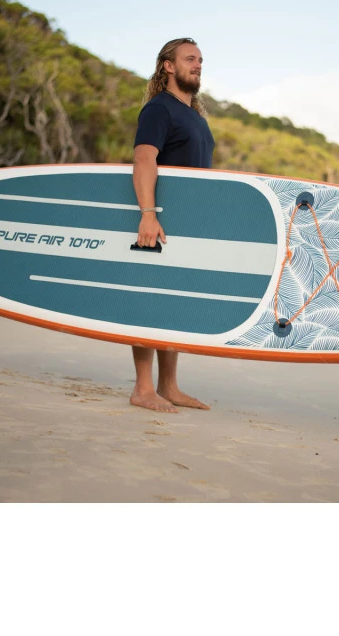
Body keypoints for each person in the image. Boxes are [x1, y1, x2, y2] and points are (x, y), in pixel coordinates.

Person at [130, 38, 215, 413]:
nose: (198, 65)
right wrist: (148, 213)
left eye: (200, 60)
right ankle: (142, 388)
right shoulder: (159, 109)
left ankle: (168, 385)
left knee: (173, 302)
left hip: (188, 223)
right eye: (190, 58)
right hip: (160, 220)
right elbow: (144, 159)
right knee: (149, 299)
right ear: (168, 65)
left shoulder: (195, 116)